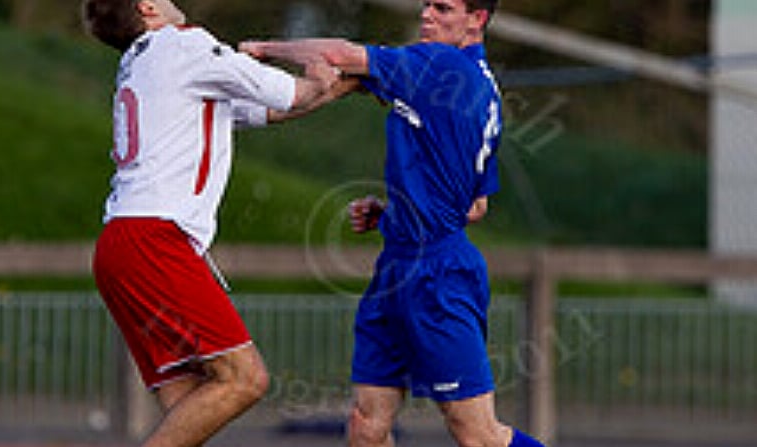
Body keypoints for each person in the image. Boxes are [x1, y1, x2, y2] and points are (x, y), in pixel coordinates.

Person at [239, 1, 548, 446]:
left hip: (439, 274)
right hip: (398, 267)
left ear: (476, 19)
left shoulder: (443, 65)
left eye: (442, 8)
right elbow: (475, 205)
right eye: (426, 4)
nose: (427, 15)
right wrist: (395, 211)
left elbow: (342, 56)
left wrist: (265, 48)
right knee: (367, 427)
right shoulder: (469, 84)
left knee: (477, 434)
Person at [82, 1, 342, 446]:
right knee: (245, 380)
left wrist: (334, 89)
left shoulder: (143, 63)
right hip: (155, 238)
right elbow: (290, 94)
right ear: (148, 7)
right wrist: (336, 76)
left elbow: (263, 111)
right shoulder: (185, 44)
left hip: (120, 244)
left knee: (191, 405)